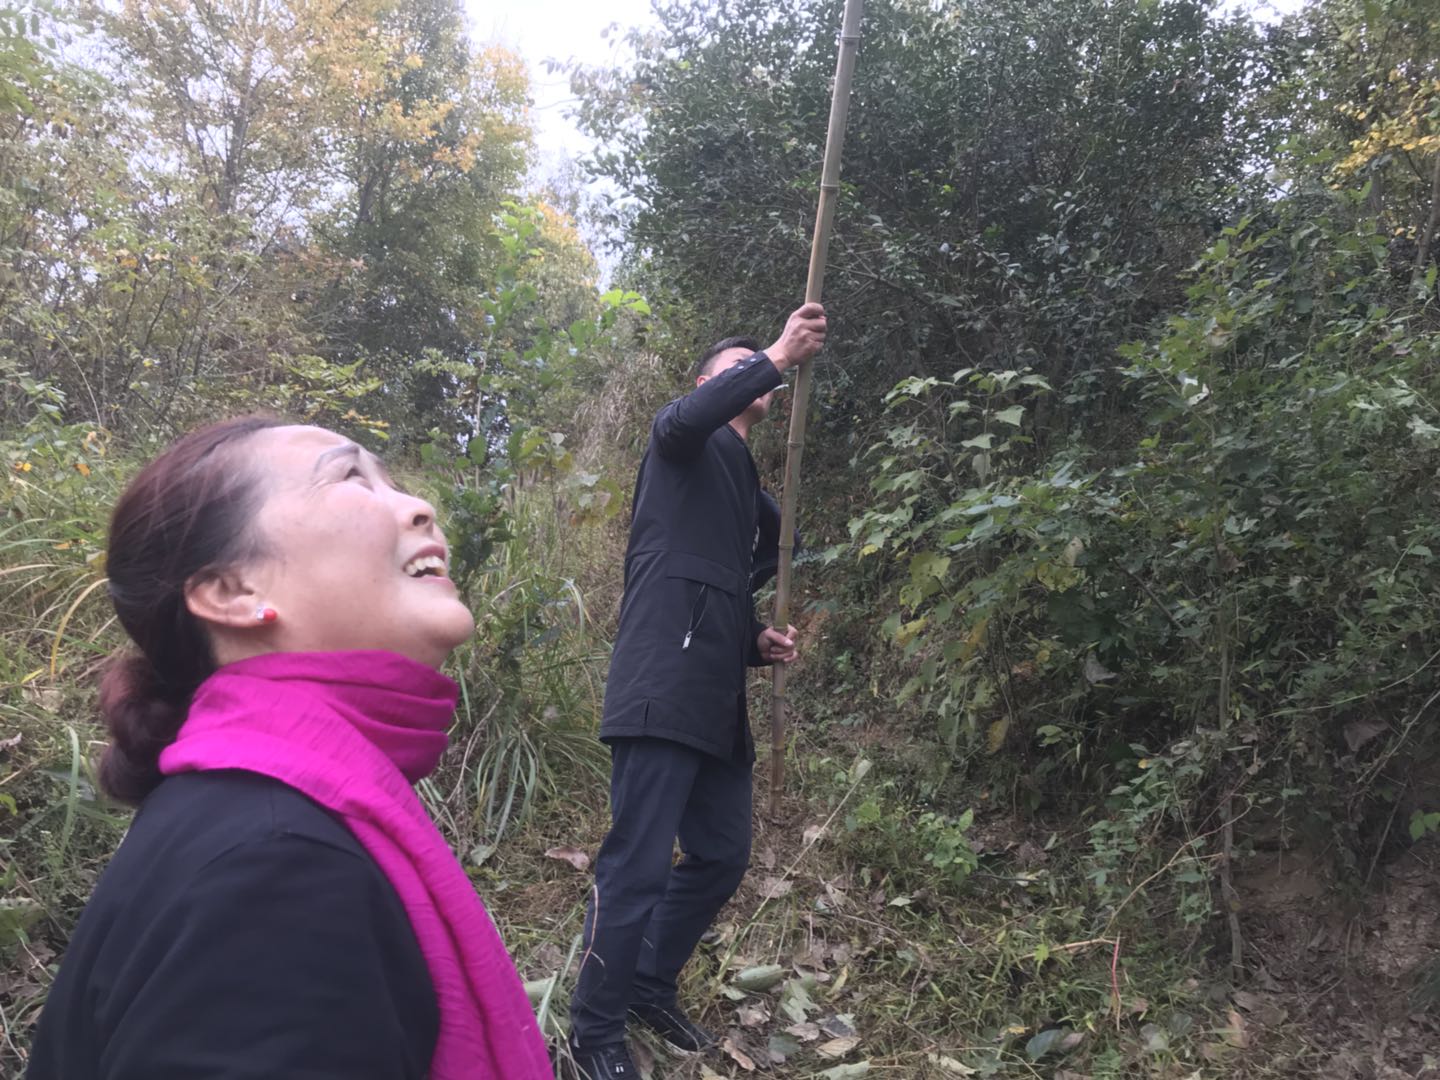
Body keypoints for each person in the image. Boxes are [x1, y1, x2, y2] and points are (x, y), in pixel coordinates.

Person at [27, 417, 554, 1080]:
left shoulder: (244, 808)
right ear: (232, 592)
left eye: (394, 480)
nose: (422, 507)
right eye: (351, 477)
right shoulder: (277, 865)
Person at [567, 302, 828, 1079]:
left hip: (714, 695)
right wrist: (777, 351)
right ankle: (593, 1029)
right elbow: (685, 424)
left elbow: (749, 571)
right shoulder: (683, 441)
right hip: (661, 681)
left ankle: (648, 982)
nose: (760, 378)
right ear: (707, 383)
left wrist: (756, 642)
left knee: (721, 854)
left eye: (764, 371)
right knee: (636, 864)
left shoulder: (743, 489)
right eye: (738, 367)